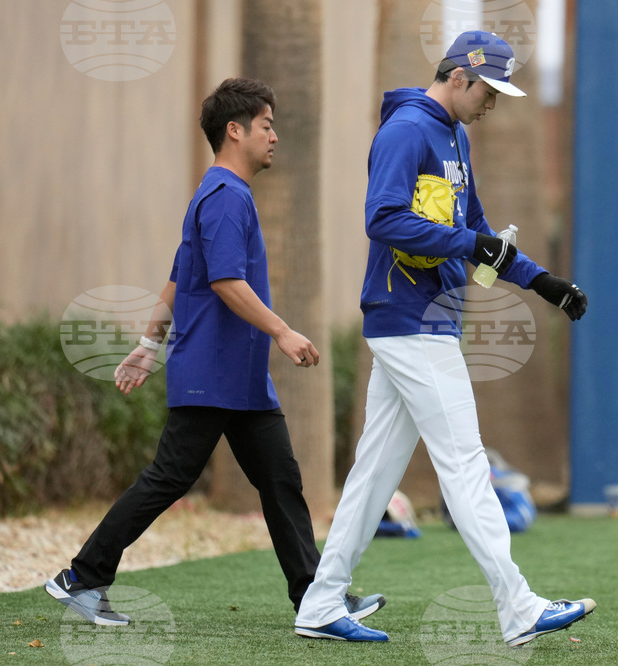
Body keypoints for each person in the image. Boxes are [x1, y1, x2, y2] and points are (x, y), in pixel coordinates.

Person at [44, 78, 383, 626]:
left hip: (242, 381)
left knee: (280, 481)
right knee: (169, 478)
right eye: (267, 125)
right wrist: (282, 330)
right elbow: (225, 282)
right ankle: (80, 578)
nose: (275, 136)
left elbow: (179, 280)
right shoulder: (226, 197)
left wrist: (147, 345)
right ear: (236, 130)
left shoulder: (216, 194)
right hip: (213, 374)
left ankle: (316, 598)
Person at [294, 31, 593, 646]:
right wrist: (467, 244)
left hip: (422, 321)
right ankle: (519, 608)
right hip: (410, 320)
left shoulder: (454, 134)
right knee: (465, 464)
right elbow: (383, 217)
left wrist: (542, 282)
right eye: (489, 91)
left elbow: (478, 229)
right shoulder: (408, 129)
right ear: (459, 76)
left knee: (374, 476)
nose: (494, 104)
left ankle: (320, 604)